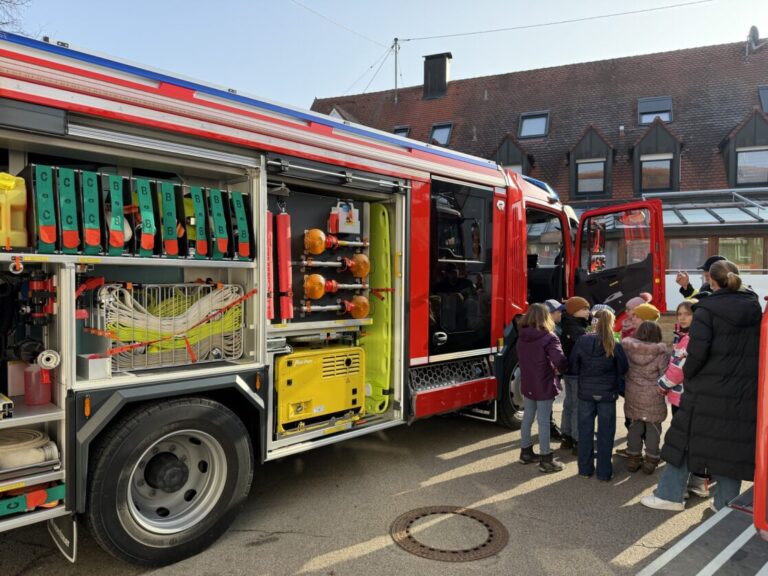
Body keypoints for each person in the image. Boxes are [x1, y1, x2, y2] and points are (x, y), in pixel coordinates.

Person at [641, 260, 762, 512]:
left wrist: (689, 376)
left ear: (711, 281)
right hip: (742, 392)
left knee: (684, 439)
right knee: (730, 447)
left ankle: (670, 495)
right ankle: (726, 505)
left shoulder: (707, 310)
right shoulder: (754, 307)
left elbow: (696, 354)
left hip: (707, 389)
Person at [656, 300, 713, 498]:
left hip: (684, 397)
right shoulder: (686, 335)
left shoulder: (690, 338)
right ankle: (697, 481)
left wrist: (662, 385)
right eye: (679, 314)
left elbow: (678, 369)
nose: (682, 317)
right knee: (693, 440)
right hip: (687, 395)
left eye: (687, 314)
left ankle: (683, 486)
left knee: (684, 442)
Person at [570, 308, 629, 481]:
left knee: (585, 432)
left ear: (595, 322)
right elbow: (623, 368)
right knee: (606, 433)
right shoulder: (615, 344)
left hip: (586, 393)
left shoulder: (582, 341)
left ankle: (585, 469)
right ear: (610, 323)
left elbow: (573, 365)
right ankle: (604, 472)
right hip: (607, 394)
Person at [516, 303, 568, 473]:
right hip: (544, 382)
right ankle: (546, 459)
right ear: (545, 316)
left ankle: (525, 453)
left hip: (528, 381)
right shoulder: (549, 337)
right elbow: (559, 360)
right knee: (544, 421)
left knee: (528, 417)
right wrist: (563, 369)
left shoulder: (522, 335)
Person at [621, 321, 669, 474]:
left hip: (633, 393)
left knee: (635, 427)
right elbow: (665, 375)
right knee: (653, 429)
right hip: (654, 395)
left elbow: (623, 369)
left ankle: (633, 458)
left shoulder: (627, 349)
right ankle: (651, 460)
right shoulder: (661, 353)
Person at [559, 296, 591, 452]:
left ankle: (566, 436)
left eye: (588, 309)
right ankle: (578, 441)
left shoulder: (567, 324)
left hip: (568, 372)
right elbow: (585, 353)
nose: (588, 312)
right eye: (584, 309)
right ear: (574, 311)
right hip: (578, 373)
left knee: (569, 404)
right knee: (578, 407)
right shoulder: (577, 330)